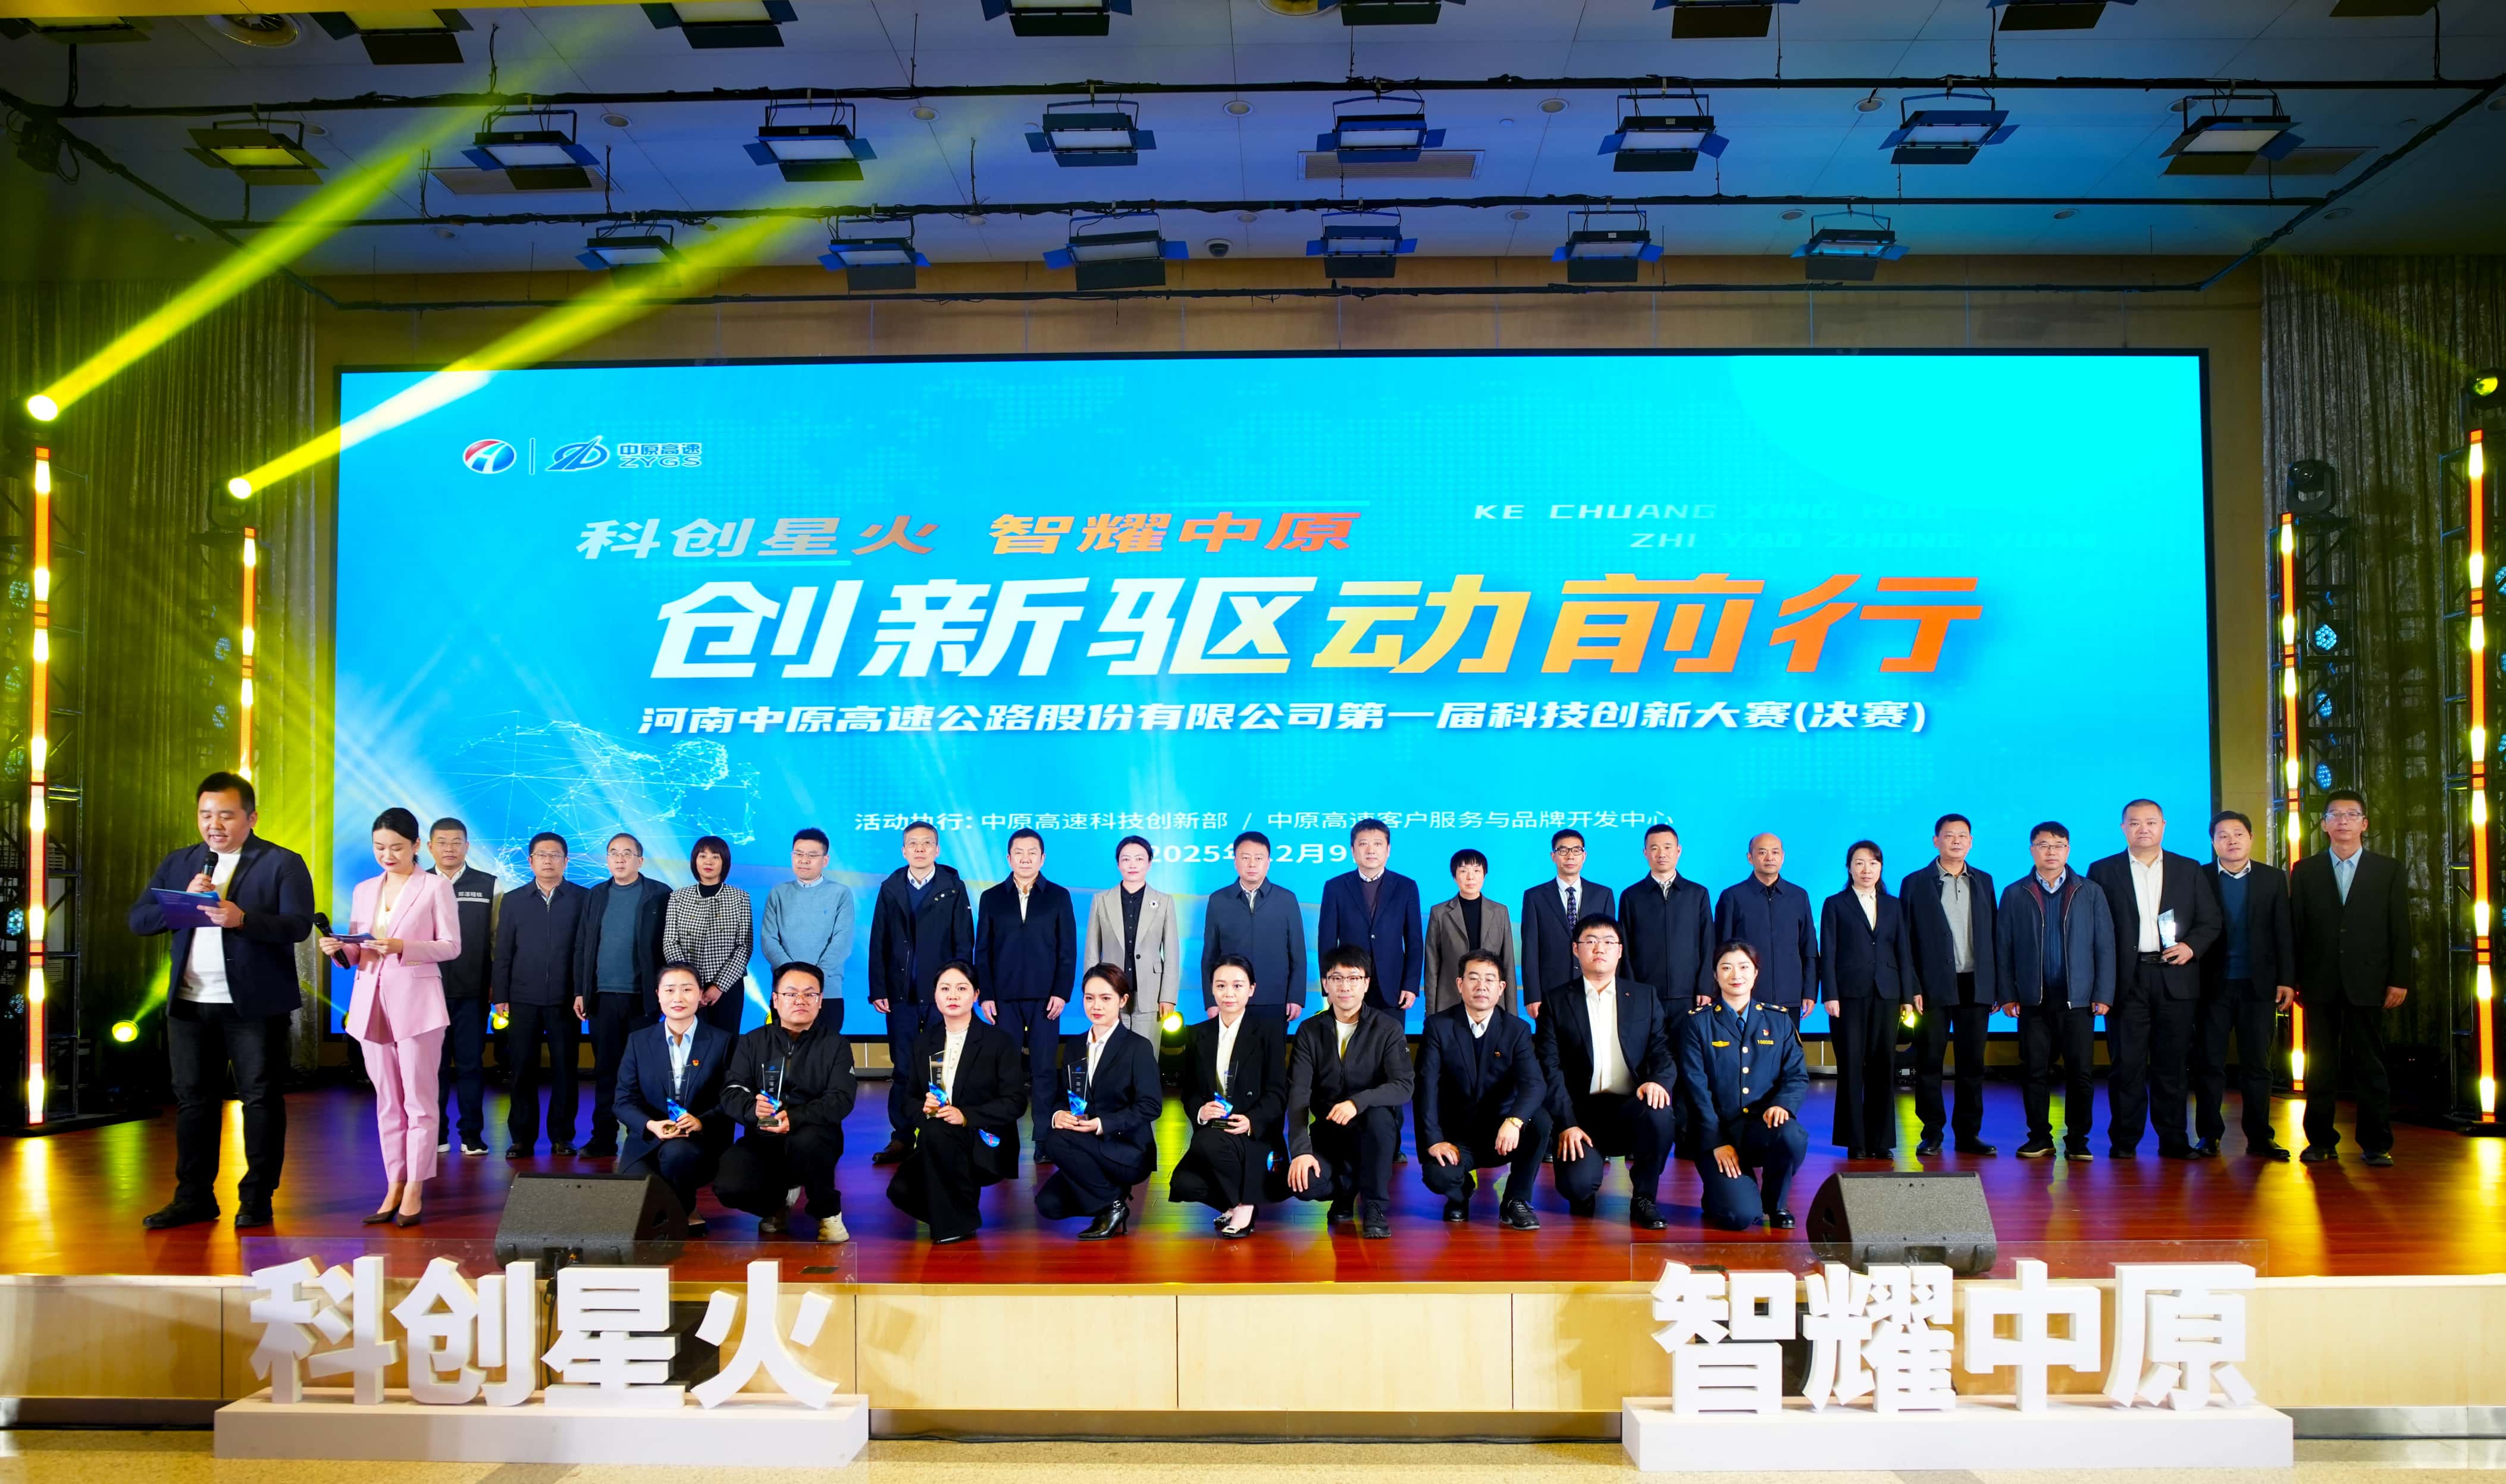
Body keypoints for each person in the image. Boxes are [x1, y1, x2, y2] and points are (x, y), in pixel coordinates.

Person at [130, 771, 315, 1230]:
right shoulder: (180, 862)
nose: (214, 824)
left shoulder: (282, 862)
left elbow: (298, 926)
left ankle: (256, 1198)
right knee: (193, 1101)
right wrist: (180, 903)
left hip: (254, 1005)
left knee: (260, 1099)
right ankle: (193, 1196)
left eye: (226, 815)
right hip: (190, 1002)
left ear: (251, 818)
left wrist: (243, 919)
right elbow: (139, 919)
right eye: (206, 815)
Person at [322, 807, 461, 1227]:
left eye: (397, 847)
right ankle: (393, 1183)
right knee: (387, 1101)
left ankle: (415, 1185)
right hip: (371, 1004)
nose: (387, 855)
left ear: (417, 845)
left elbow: (451, 946)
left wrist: (404, 946)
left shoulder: (435, 887)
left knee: (419, 1101)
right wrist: (339, 950)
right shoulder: (365, 889)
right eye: (380, 847)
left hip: (418, 1005)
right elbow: (358, 951)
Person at [2087, 799, 2221, 1160]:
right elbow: (2093, 927)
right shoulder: (2103, 870)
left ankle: (2174, 1139)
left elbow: (2210, 921)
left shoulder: (2188, 869)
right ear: (2123, 828)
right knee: (2126, 1066)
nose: (2143, 829)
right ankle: (2124, 1140)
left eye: (2150, 822)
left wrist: (2191, 947)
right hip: (2126, 980)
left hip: (2175, 977)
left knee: (2172, 1066)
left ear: (2163, 825)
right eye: (2134, 823)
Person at [2290, 789, 2414, 1166]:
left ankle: (2376, 1143)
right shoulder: (2305, 870)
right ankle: (2320, 1141)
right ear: (2324, 824)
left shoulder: (2388, 869)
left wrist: (2399, 979)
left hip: (2370, 980)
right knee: (2321, 1065)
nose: (2343, 821)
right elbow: (2296, 929)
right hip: (2319, 981)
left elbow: (2400, 928)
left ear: (2365, 824)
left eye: (2351, 814)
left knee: (2370, 1065)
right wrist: (2293, 979)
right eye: (2335, 815)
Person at [1535, 914, 1678, 1229]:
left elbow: (1662, 1052)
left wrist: (1658, 1082)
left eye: (1608, 942)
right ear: (1576, 949)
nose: (1599, 948)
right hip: (1581, 1114)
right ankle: (1585, 1186)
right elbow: (1549, 1067)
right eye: (1590, 941)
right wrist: (1567, 1124)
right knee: (1576, 1188)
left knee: (1660, 1112)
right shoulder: (1556, 1001)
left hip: (1630, 1106)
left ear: (1619, 950)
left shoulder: (1644, 996)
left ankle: (1645, 1197)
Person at [1996, 822, 2115, 1162]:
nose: (2051, 851)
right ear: (2032, 850)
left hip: (2078, 999)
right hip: (2033, 1000)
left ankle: (2077, 1139)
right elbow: (2004, 948)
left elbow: (2105, 946)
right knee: (2034, 1071)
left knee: (2081, 1073)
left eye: (2058, 845)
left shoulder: (2089, 891)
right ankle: (2039, 1137)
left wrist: (2103, 993)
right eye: (2043, 845)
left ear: (2069, 850)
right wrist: (2008, 994)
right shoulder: (2015, 893)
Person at [716, 962, 858, 1240]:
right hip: (763, 1133)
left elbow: (842, 1098)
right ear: (775, 999)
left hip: (814, 1134)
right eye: (791, 994)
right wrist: (753, 1110)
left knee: (808, 1143)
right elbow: (732, 1090)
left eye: (809, 994)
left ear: (820, 1001)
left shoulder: (836, 1044)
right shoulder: (752, 1042)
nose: (800, 1000)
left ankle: (827, 1212)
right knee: (729, 1187)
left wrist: (795, 1118)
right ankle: (776, 1204)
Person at [887, 962, 1023, 1244]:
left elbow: (1016, 1102)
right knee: (900, 1190)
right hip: (938, 1137)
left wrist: (965, 1116)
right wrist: (924, 1110)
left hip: (984, 1135)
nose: (952, 996)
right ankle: (959, 1216)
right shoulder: (924, 1042)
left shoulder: (999, 1041)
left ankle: (954, 1227)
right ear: (935, 995)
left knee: (937, 1133)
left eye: (961, 989)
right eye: (945, 989)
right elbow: (909, 1098)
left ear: (976, 995)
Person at [1284, 945, 1414, 1238]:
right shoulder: (1309, 1031)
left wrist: (1358, 1102)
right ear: (1325, 984)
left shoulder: (1388, 1029)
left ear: (1366, 984)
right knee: (1305, 1184)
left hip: (1374, 1130)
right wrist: (1301, 1152)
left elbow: (1404, 1086)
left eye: (1354, 978)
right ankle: (1346, 1191)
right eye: (1337, 978)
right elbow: (1299, 1094)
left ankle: (1375, 1207)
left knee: (1380, 1118)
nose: (1345, 987)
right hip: (1329, 1131)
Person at [1679, 941, 1810, 1231]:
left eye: (1743, 967)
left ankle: (1776, 1204)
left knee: (1792, 1135)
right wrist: (1716, 1141)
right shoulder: (1698, 1023)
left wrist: (1782, 1105)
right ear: (1715, 975)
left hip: (1760, 1129)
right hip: (1716, 1132)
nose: (1735, 975)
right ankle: (1720, 1193)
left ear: (1755, 973)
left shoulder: (1778, 1020)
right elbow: (1695, 1089)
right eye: (1726, 968)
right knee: (1739, 1217)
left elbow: (1796, 1076)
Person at [866, 821, 976, 1165]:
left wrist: (960, 989)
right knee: (903, 1068)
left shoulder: (953, 887)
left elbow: (964, 942)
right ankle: (902, 1137)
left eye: (926, 843)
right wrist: (878, 988)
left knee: (944, 1066)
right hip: (901, 995)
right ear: (903, 850)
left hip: (942, 996)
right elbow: (879, 940)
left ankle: (941, 1133)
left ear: (937, 849)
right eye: (913, 843)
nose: (919, 849)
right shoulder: (891, 887)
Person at [1415, 949, 1548, 1229]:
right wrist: (1434, 1140)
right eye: (1473, 978)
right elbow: (1426, 1088)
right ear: (1460, 984)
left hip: (1503, 1133)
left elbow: (1534, 1084)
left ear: (1501, 988)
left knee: (1540, 1121)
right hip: (1457, 1137)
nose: (1481, 986)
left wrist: (1514, 1121)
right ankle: (1460, 1192)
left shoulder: (1517, 1030)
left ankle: (1516, 1201)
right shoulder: (1438, 1027)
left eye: (1490, 979)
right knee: (1438, 1176)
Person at [1035, 965, 1163, 1239]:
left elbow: (1151, 1106)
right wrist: (1059, 1114)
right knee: (1048, 1204)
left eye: (1106, 998)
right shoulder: (1074, 1046)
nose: (1096, 1006)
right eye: (1089, 998)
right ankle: (1113, 1203)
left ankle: (1109, 1202)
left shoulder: (1137, 1047)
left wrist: (1102, 1124)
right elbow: (1063, 1096)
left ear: (1123, 1000)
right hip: (1085, 1147)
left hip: (1126, 1149)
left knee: (1055, 1141)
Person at [1900, 814, 2000, 1156]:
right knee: (1930, 1062)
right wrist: (1911, 986)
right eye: (1949, 835)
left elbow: (1994, 935)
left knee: (1972, 1064)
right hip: (1932, 987)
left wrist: (1996, 986)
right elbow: (1906, 940)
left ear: (1971, 842)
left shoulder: (1984, 880)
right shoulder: (1915, 883)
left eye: (1962, 836)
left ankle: (1969, 1134)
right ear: (1936, 841)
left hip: (1976, 984)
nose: (1956, 841)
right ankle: (1932, 1132)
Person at [2200, 811, 2296, 1160]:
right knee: (2209, 1064)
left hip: (2259, 986)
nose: (2232, 841)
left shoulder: (2273, 878)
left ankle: (2260, 1138)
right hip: (2212, 986)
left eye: (2238, 834)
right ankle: (2209, 1136)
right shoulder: (2200, 877)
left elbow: (2284, 931)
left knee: (2258, 1065)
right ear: (2213, 842)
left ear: (2251, 838)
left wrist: (2287, 979)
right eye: (2223, 835)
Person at [1168, 955, 1285, 1238]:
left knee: (1206, 1142)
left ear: (1252, 989)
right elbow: (1189, 1091)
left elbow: (1278, 1093)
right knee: (1184, 1184)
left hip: (1252, 1132)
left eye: (1237, 985)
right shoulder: (1197, 1034)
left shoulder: (1268, 1033)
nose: (1228, 993)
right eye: (1221, 986)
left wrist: (1251, 1120)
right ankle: (1236, 1203)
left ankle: (1244, 1206)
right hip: (1215, 1127)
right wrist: (1200, 1111)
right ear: (1212, 989)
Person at [575, 832, 672, 1159]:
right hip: (602, 997)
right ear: (607, 860)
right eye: (614, 853)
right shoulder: (596, 895)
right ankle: (602, 1138)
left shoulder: (659, 894)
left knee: (644, 1073)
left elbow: (667, 946)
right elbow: (583, 945)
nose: (620, 858)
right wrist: (581, 991)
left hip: (642, 999)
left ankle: (641, 1138)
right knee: (606, 1071)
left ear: (640, 860)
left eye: (627, 853)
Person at [615, 964, 735, 1230]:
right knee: (636, 1208)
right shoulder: (639, 1041)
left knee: (677, 1155)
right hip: (649, 1139)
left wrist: (702, 1122)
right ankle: (676, 1207)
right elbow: (623, 1101)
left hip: (697, 1141)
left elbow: (731, 1098)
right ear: (658, 994)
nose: (678, 998)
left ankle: (685, 1209)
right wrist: (651, 1125)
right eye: (670, 990)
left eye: (687, 990)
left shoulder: (722, 1041)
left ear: (701, 994)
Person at [973, 827, 1079, 1128]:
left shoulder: (1059, 896)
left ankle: (1044, 1136)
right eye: (1019, 853)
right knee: (1006, 1069)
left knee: (1044, 1069)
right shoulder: (992, 897)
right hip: (1004, 998)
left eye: (1032, 853)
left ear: (1042, 858)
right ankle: (1003, 1135)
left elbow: (1067, 949)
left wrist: (1061, 992)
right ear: (1009, 858)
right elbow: (983, 950)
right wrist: (986, 995)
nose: (1025, 858)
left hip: (1046, 998)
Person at [1818, 840, 1916, 1162]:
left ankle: (1881, 1140)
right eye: (1859, 863)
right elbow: (1828, 951)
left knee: (1883, 1067)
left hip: (1886, 994)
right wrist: (1830, 994)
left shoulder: (1893, 905)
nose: (1866, 870)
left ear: (1881, 867)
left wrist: (1906, 996)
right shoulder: (1835, 904)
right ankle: (1854, 1140)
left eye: (1873, 863)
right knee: (1850, 1067)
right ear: (1849, 868)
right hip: (1848, 996)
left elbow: (1903, 951)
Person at [494, 832, 590, 1158]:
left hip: (566, 1000)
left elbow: (586, 951)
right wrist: (500, 995)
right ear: (531, 860)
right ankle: (522, 1138)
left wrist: (582, 991)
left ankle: (563, 1136)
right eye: (542, 855)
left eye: (555, 855)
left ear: (566, 861)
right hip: (522, 998)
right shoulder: (514, 900)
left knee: (566, 1069)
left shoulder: (583, 898)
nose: (548, 861)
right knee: (522, 1069)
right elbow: (503, 951)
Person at [427, 817, 499, 1158]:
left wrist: (496, 985)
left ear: (467, 846)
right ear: (430, 847)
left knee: (471, 1066)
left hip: (473, 991)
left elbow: (496, 941)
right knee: (433, 1068)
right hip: (427, 992)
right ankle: (436, 1134)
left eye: (457, 842)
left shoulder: (488, 886)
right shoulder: (417, 882)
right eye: (442, 842)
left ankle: (472, 1135)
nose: (450, 849)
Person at [1199, 831, 1308, 1028]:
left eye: (1259, 858)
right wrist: (1211, 1000)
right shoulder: (1218, 900)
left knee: (1273, 1050)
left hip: (1276, 1000)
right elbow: (1210, 956)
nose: (1252, 864)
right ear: (1235, 862)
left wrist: (1296, 997)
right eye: (1245, 858)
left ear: (1268, 862)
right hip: (1231, 999)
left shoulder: (1286, 899)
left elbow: (1298, 953)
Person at [1317, 818, 1425, 1018]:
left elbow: (1415, 942)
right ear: (1352, 850)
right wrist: (1329, 986)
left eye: (1377, 844)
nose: (1370, 850)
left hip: (1392, 988)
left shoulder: (1406, 887)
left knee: (1391, 1038)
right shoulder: (1335, 887)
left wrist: (1411, 985)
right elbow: (1326, 942)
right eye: (1363, 844)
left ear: (1388, 849)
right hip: (1348, 986)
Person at [1088, 836, 1181, 1043]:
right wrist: (1093, 994)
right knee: (1112, 1053)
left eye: (1139, 859)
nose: (1132, 865)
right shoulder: (1101, 900)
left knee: (1146, 1054)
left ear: (1149, 863)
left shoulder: (1164, 901)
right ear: (1118, 864)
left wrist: (1168, 997)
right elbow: (1092, 951)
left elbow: (1172, 954)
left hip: (1150, 994)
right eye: (1126, 859)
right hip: (1110, 991)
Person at [759, 827, 856, 1027]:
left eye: (812, 855)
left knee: (826, 1046)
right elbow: (769, 941)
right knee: (783, 1046)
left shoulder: (841, 894)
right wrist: (793, 980)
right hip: (786, 993)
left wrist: (813, 982)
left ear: (825, 860)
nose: (804, 860)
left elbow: (842, 942)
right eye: (799, 854)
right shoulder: (778, 893)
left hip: (827, 993)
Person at [1714, 834, 1818, 1015]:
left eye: (1775, 852)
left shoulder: (1798, 896)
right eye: (1762, 852)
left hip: (1789, 996)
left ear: (1783, 857)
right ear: (1750, 858)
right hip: (1744, 998)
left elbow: (1808, 948)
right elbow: (1721, 951)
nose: (1770, 857)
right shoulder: (1732, 897)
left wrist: (1810, 991)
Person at [663, 834, 754, 1038]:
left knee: (725, 1043)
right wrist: (691, 983)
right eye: (703, 856)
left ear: (725, 862)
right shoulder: (678, 897)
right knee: (690, 1043)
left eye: (715, 857)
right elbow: (670, 943)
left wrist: (718, 986)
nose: (709, 862)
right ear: (695, 861)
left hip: (727, 989)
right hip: (686, 989)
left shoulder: (740, 898)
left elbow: (744, 946)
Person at [1521, 829, 1612, 1021]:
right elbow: (1530, 948)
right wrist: (1532, 995)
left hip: (1594, 986)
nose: (1570, 856)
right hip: (1550, 989)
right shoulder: (1535, 897)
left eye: (1576, 850)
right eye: (1563, 850)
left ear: (1584, 856)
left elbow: (1610, 946)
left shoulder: (1603, 895)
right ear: (1553, 856)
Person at [1622, 823, 1715, 1011]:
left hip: (1689, 994)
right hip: (1645, 993)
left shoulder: (1697, 894)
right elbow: (1624, 946)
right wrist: (1630, 989)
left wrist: (1706, 986)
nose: (1661, 854)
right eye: (1654, 848)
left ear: (1678, 850)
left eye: (1667, 847)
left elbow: (1708, 942)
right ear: (1645, 853)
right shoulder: (1631, 896)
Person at [1425, 849, 1518, 1015]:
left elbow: (1508, 964)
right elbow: (1432, 965)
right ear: (1454, 877)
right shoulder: (1440, 913)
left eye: (1476, 871)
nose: (1470, 877)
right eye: (1463, 871)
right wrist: (1431, 1012)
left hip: (1491, 998)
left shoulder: (1500, 912)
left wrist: (1512, 1014)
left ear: (1484, 875)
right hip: (1450, 999)